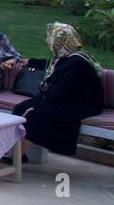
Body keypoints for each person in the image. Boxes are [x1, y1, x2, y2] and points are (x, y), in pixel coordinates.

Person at [11, 23, 105, 157]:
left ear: (60, 42)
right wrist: (30, 62)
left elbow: (62, 92)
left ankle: (16, 157)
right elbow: (53, 66)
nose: (49, 41)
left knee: (36, 116)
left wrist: (39, 105)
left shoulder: (77, 63)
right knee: (20, 108)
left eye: (52, 39)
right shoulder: (67, 57)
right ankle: (19, 153)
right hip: (65, 98)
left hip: (82, 103)